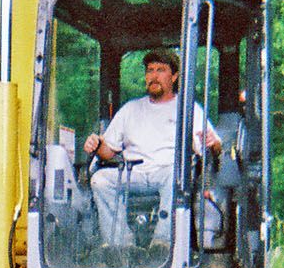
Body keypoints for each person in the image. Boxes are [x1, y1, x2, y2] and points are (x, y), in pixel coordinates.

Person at [82, 49, 221, 251]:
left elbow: (213, 147)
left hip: (167, 173)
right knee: (100, 180)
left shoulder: (188, 109)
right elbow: (108, 152)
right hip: (133, 174)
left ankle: (162, 245)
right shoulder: (130, 109)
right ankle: (121, 246)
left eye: (161, 70)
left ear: (173, 76)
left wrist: (213, 144)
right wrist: (96, 144)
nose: (154, 76)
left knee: (177, 175)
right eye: (150, 70)